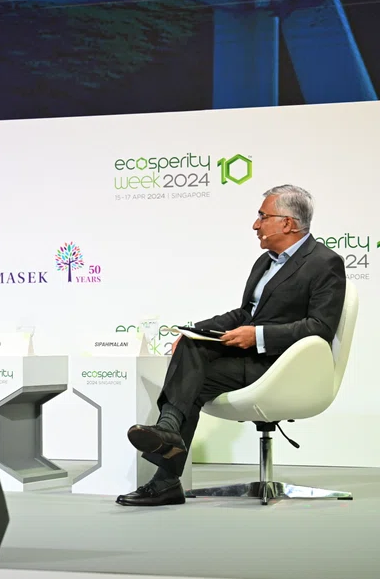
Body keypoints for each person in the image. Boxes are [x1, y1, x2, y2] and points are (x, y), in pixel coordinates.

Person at [117, 185, 346, 506]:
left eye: (263, 217)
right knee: (191, 355)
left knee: (190, 374)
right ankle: (167, 469)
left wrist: (258, 335)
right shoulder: (264, 263)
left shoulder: (324, 262)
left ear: (288, 223)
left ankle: (167, 451)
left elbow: (320, 327)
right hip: (248, 362)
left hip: (282, 366)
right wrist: (195, 330)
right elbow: (245, 314)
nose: (255, 225)